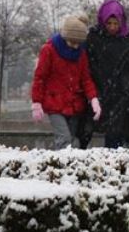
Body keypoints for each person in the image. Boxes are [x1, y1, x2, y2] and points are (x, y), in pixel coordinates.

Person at [81, 0, 129, 149]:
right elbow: (88, 65)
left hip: (121, 95)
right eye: (109, 23)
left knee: (118, 134)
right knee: (86, 132)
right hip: (99, 92)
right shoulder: (94, 38)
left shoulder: (126, 38)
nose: (112, 27)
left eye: (116, 23)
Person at [31, 15, 102, 149]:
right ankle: (62, 160)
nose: (75, 46)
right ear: (65, 38)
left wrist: (93, 98)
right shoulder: (49, 50)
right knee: (64, 138)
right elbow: (40, 78)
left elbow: (86, 79)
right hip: (54, 103)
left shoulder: (80, 54)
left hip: (74, 104)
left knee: (72, 140)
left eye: (78, 43)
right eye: (72, 42)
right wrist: (36, 102)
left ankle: (63, 159)